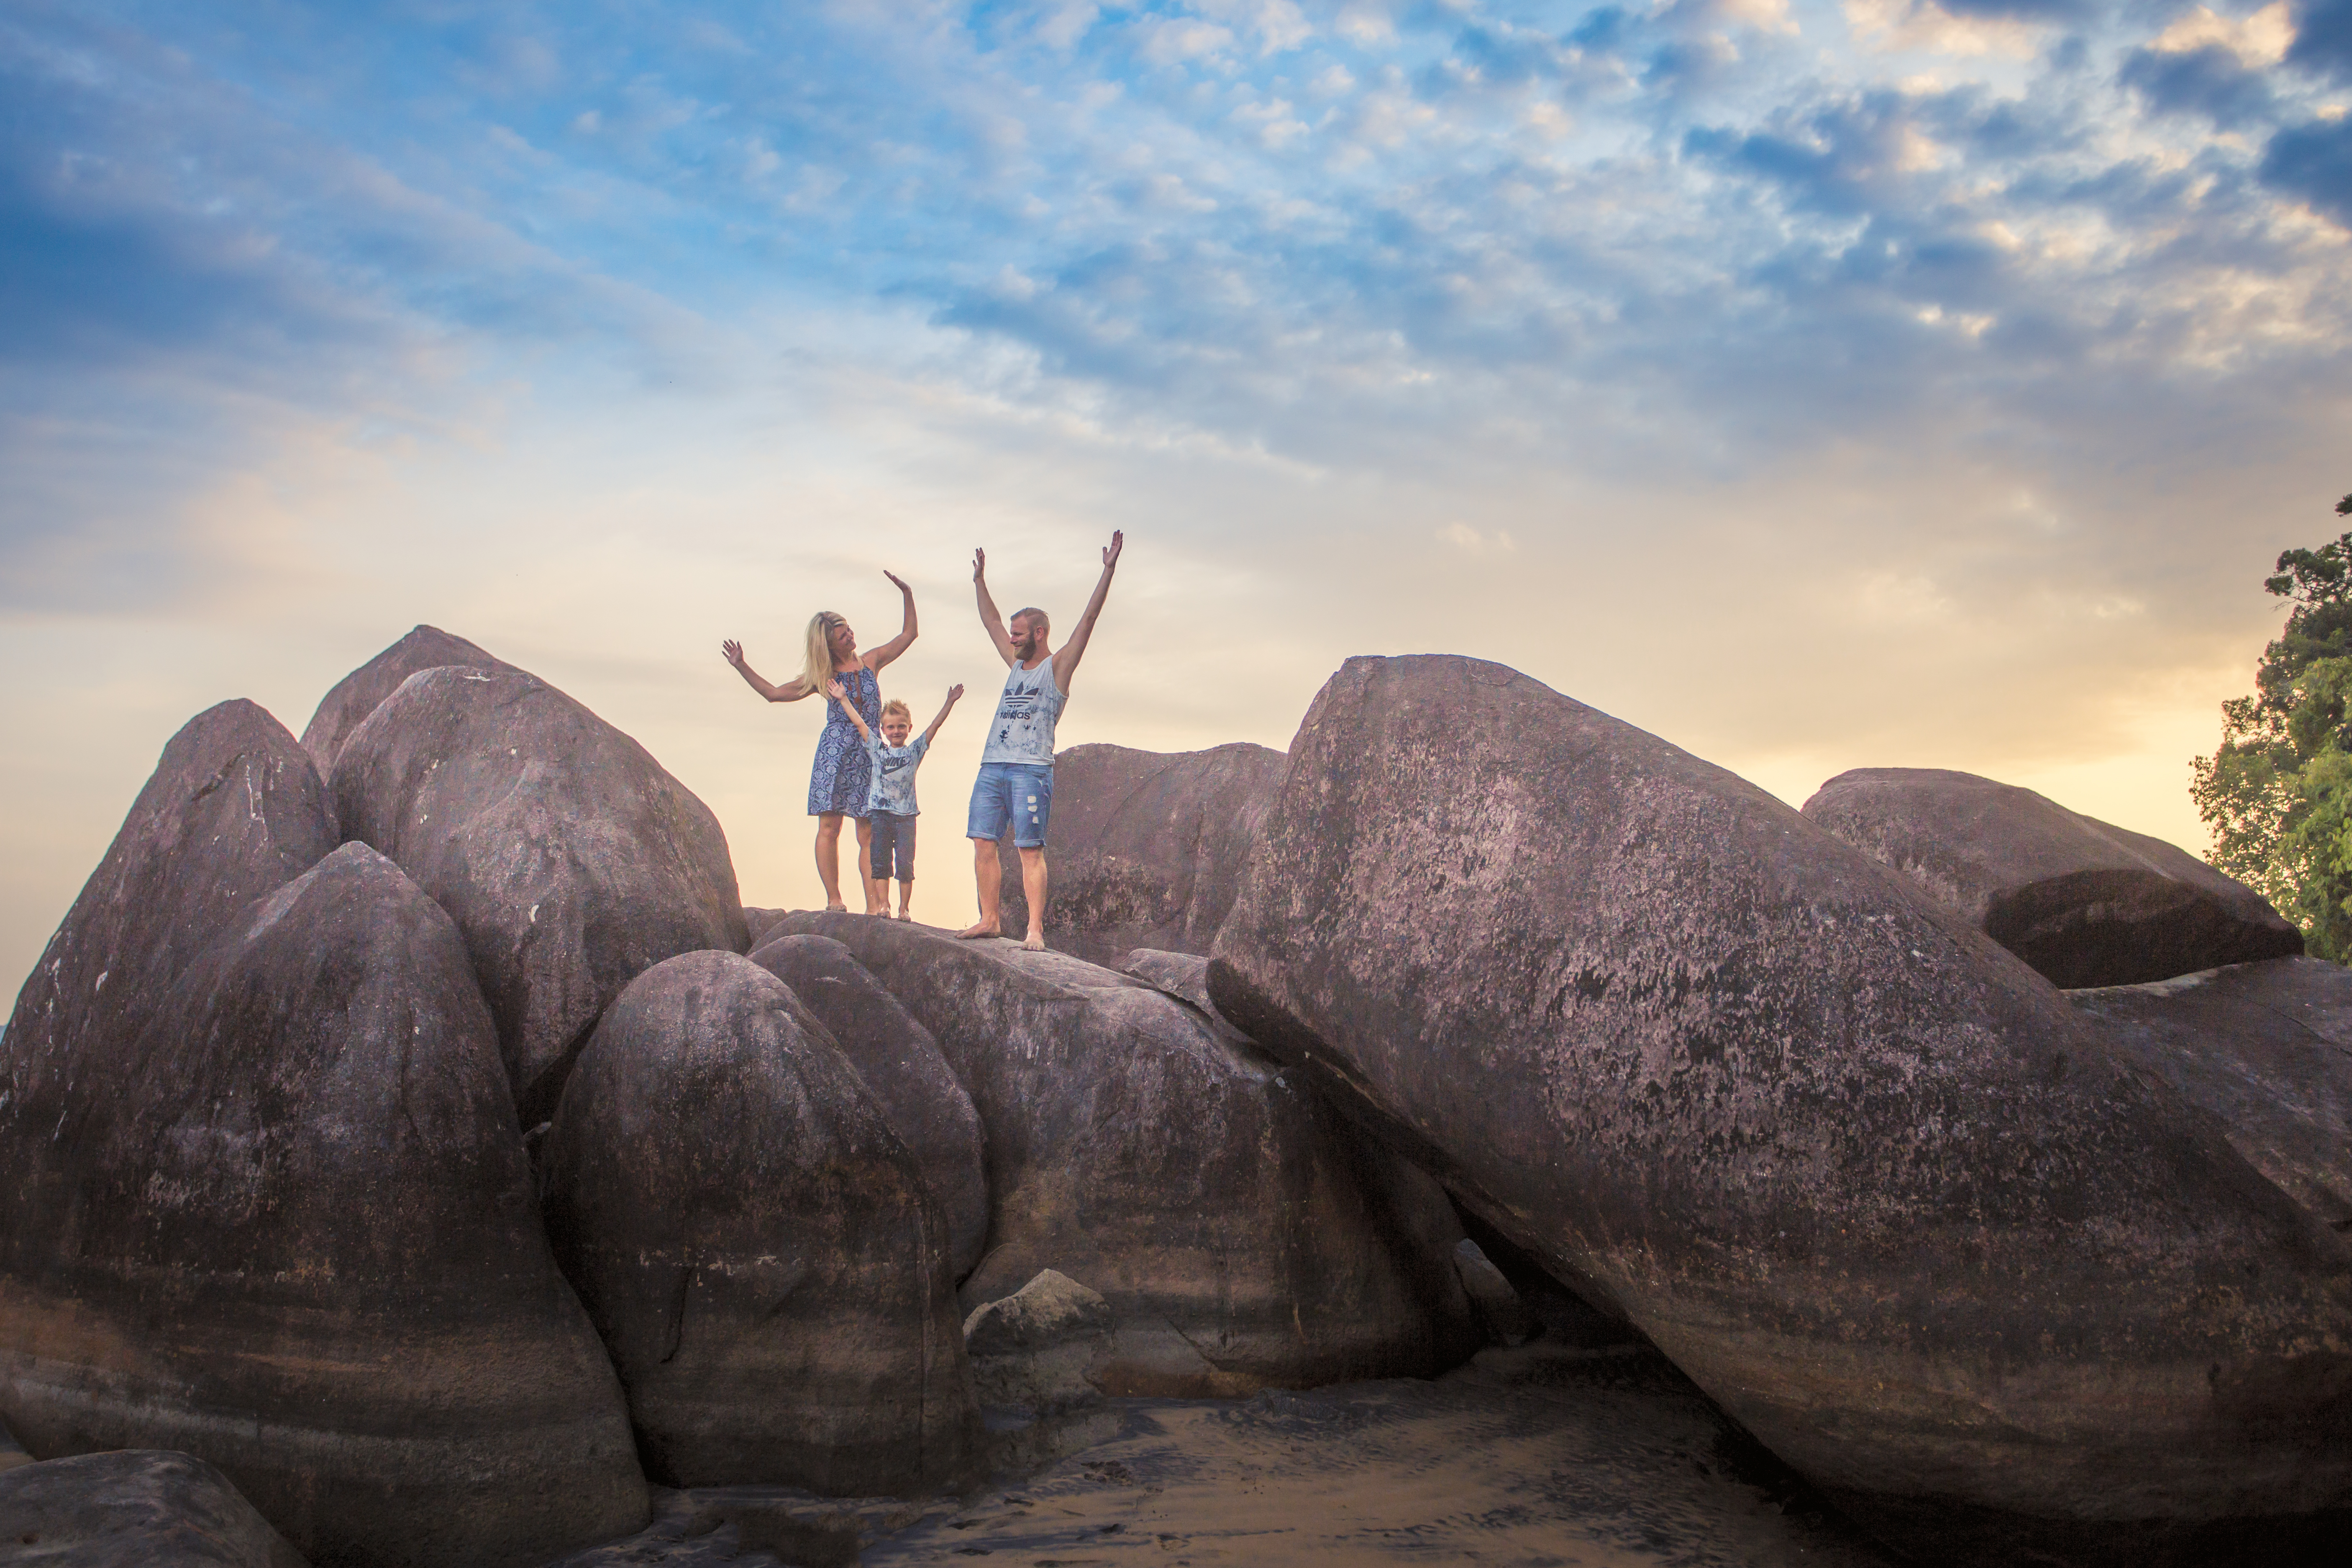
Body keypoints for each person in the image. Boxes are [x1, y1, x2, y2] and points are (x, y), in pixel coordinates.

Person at [959, 530, 1124, 950]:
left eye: (1019, 634)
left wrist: (1107, 571)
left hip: (1031, 770)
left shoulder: (1057, 669)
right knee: (983, 842)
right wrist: (980, 582)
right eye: (1012, 634)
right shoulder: (1015, 664)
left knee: (1029, 850)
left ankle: (1035, 929)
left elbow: (1088, 622)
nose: (1012, 639)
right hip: (993, 765)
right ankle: (990, 919)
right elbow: (991, 622)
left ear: (1040, 633)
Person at [721, 570, 917, 914]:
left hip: (870, 754)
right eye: (843, 635)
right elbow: (773, 694)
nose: (851, 636)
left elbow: (909, 634)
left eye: (849, 629)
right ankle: (834, 899)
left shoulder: (871, 662)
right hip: (835, 754)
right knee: (829, 827)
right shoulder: (822, 677)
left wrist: (907, 593)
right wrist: (741, 666)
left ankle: (874, 906)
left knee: (869, 832)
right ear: (829, 645)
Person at [829, 680, 963, 922]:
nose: (896, 731)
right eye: (890, 727)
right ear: (883, 730)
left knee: (905, 865)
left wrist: (950, 702)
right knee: (880, 864)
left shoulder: (914, 751)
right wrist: (843, 698)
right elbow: (859, 723)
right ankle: (884, 905)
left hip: (906, 817)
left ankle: (904, 909)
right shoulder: (878, 749)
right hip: (880, 814)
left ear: (910, 728)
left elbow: (935, 726)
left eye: (901, 726)